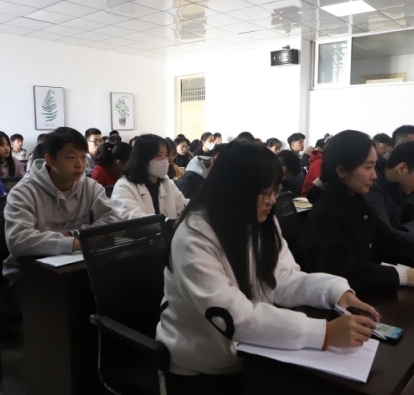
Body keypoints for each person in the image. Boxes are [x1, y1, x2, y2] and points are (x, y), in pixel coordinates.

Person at [158, 141, 380, 394]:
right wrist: (325, 333)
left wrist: (336, 292)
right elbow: (235, 317)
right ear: (234, 190)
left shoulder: (261, 220)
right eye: (265, 192)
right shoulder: (194, 237)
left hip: (253, 352)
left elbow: (283, 278)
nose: (273, 200)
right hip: (203, 365)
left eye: (276, 189)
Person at [293, 130, 414, 292]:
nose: (374, 175)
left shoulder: (355, 199)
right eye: (368, 167)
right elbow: (339, 269)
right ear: (341, 171)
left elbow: (384, 237)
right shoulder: (327, 210)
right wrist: (403, 276)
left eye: (374, 166)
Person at [2, 127, 121, 312]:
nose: (80, 165)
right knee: (66, 309)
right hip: (29, 275)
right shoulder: (23, 192)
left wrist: (74, 236)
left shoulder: (90, 187)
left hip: (80, 267)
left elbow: (113, 221)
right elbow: (18, 240)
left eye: (83, 157)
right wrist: (77, 243)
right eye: (71, 157)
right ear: (50, 160)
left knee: (116, 296)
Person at [112, 134, 189, 220]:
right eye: (159, 155)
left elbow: (182, 205)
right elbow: (134, 219)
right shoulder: (124, 186)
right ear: (143, 158)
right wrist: (169, 223)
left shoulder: (167, 182)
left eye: (167, 155)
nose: (165, 160)